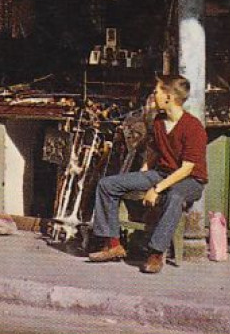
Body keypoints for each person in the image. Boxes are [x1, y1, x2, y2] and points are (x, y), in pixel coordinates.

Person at [86, 74, 208, 274]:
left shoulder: (193, 127)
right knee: (108, 184)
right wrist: (144, 171)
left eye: (158, 91)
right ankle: (113, 244)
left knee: (175, 195)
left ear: (168, 96)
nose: (155, 95)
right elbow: (154, 148)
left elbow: (187, 168)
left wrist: (156, 189)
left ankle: (156, 253)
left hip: (190, 180)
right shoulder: (159, 121)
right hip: (162, 173)